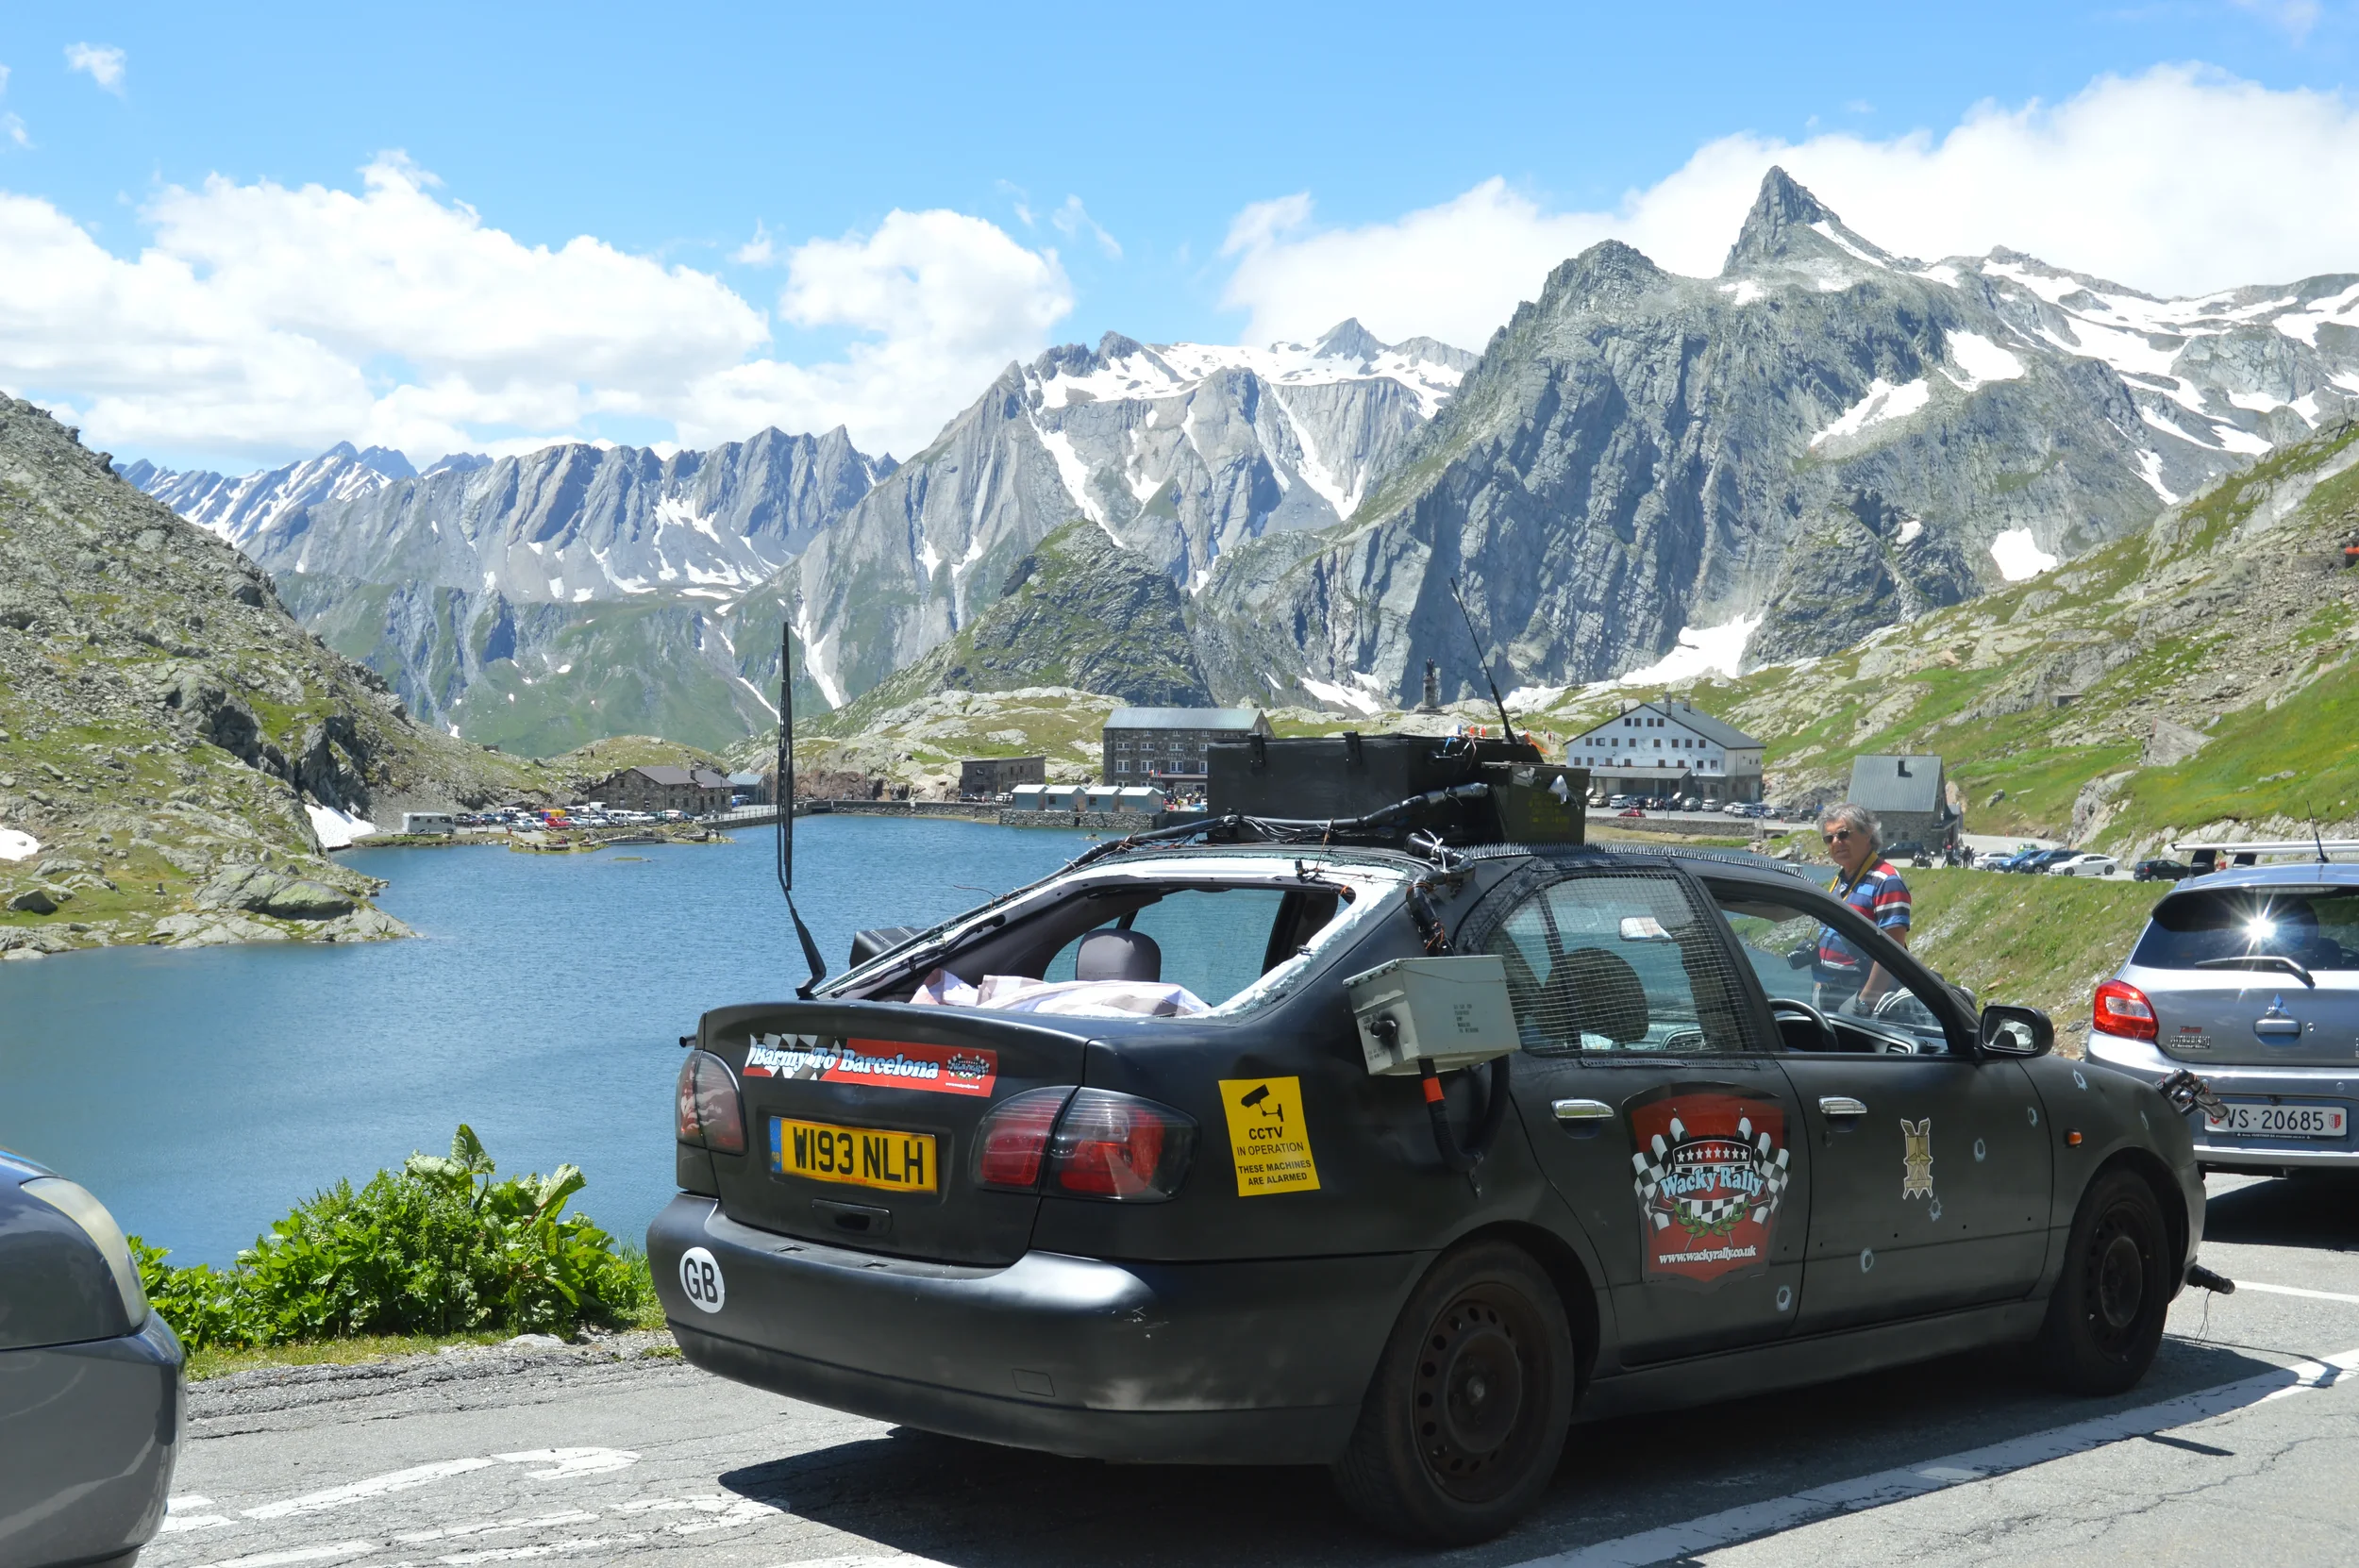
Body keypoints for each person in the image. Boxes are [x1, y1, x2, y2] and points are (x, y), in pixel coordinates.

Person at [1807, 803, 1913, 1013]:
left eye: (1843, 834)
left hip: (1858, 996)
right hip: (1831, 991)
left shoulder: (1886, 881)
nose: (1837, 842)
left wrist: (1865, 1003)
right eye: (1829, 838)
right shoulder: (1840, 879)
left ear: (1868, 834)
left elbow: (1892, 951)